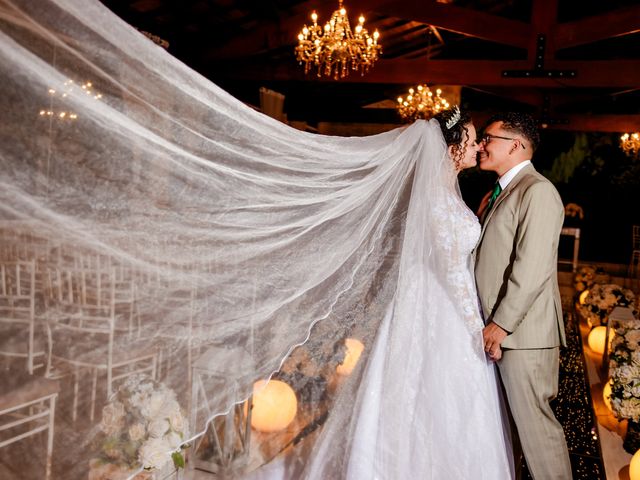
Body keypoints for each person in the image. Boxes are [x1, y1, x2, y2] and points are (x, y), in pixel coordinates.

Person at [293, 107, 514, 480]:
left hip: (433, 302)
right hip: (442, 307)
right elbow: (448, 269)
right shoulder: (436, 197)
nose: (478, 147)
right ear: (452, 148)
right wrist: (474, 322)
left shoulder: (445, 191)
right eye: (473, 140)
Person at [474, 112, 572, 479]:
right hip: (499, 331)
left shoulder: (538, 191)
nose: (481, 145)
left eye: (488, 138)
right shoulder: (499, 192)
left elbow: (531, 269)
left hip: (523, 336)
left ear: (515, 145)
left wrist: (500, 325)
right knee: (508, 433)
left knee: (537, 433)